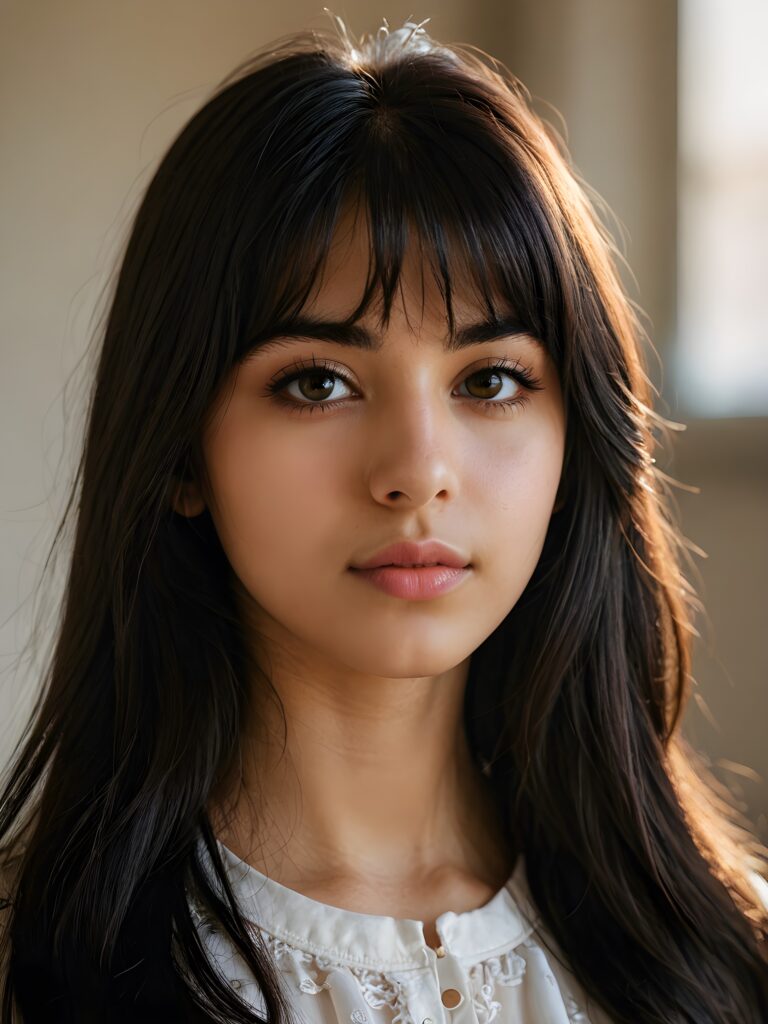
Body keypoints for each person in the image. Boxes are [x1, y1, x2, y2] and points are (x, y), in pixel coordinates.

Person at [1, 12, 767, 1024]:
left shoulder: (720, 950)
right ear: (180, 447)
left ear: (575, 441)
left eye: (491, 378)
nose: (417, 472)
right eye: (317, 382)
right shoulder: (30, 961)